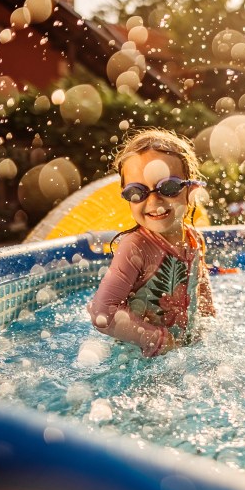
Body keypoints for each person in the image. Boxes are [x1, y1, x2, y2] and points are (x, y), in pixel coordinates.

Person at [88, 128, 215, 356]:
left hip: (184, 354)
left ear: (191, 190)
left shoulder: (194, 239)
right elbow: (102, 312)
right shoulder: (136, 247)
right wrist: (157, 339)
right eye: (137, 192)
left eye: (168, 187)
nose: (154, 201)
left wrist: (209, 327)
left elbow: (202, 290)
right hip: (140, 359)